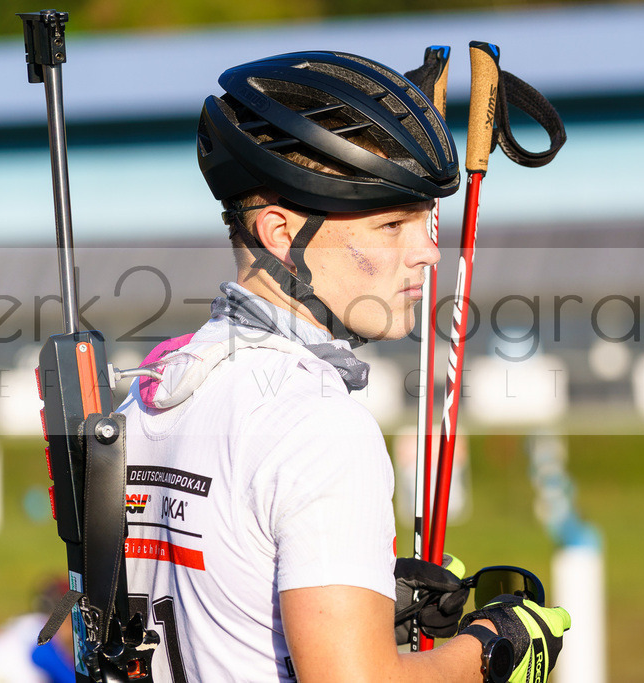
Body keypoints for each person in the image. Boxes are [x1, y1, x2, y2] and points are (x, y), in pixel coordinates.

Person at [119, 50, 569, 682]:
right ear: (281, 233)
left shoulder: (150, 394)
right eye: (392, 224)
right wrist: (496, 646)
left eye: (425, 221)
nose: (429, 252)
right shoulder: (319, 429)